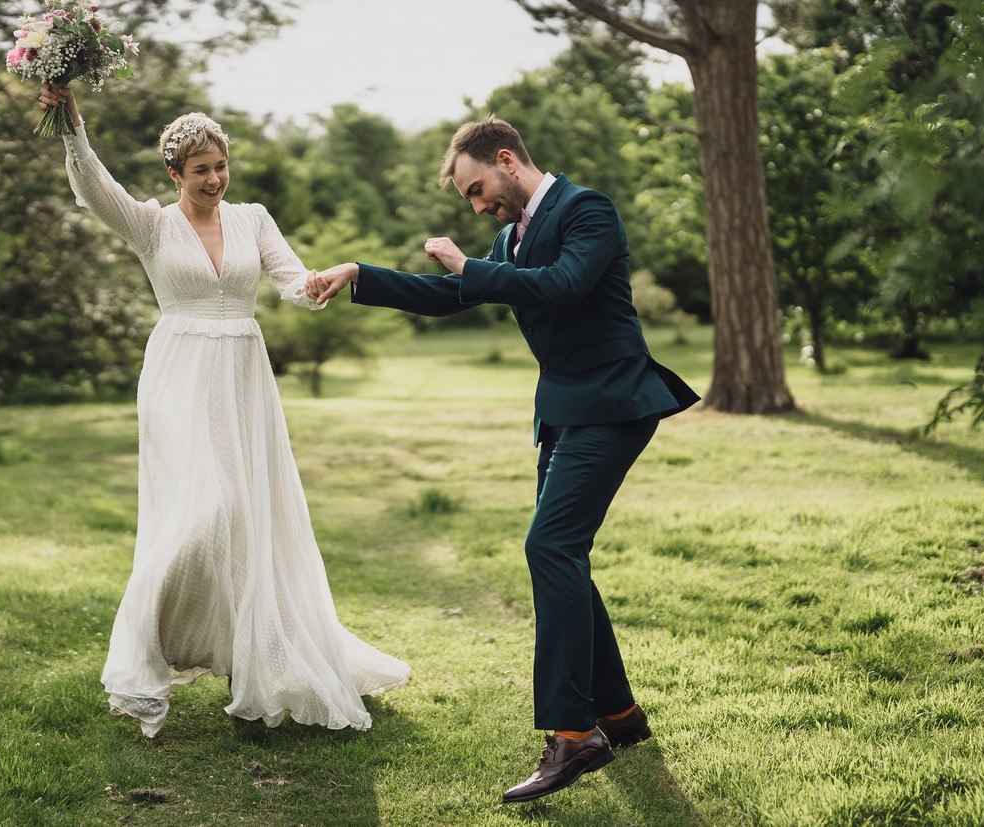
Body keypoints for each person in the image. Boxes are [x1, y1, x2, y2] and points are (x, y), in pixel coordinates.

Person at [307, 114, 697, 803]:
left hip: (614, 402)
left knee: (550, 546)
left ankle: (573, 735)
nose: (479, 203)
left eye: (478, 187)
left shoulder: (587, 211)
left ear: (508, 160)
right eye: (471, 198)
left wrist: (471, 264)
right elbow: (448, 295)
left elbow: (564, 285)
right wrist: (360, 275)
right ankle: (620, 713)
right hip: (564, 413)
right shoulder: (507, 240)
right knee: (565, 553)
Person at [39, 83, 408, 738]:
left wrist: (321, 283)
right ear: (175, 174)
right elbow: (95, 186)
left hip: (243, 378)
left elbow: (293, 279)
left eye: (220, 166)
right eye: (201, 169)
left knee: (248, 518)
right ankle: (150, 655)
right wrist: (72, 127)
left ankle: (251, 662)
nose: (215, 178)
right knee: (202, 514)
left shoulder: (254, 219)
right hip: (179, 377)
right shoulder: (152, 225)